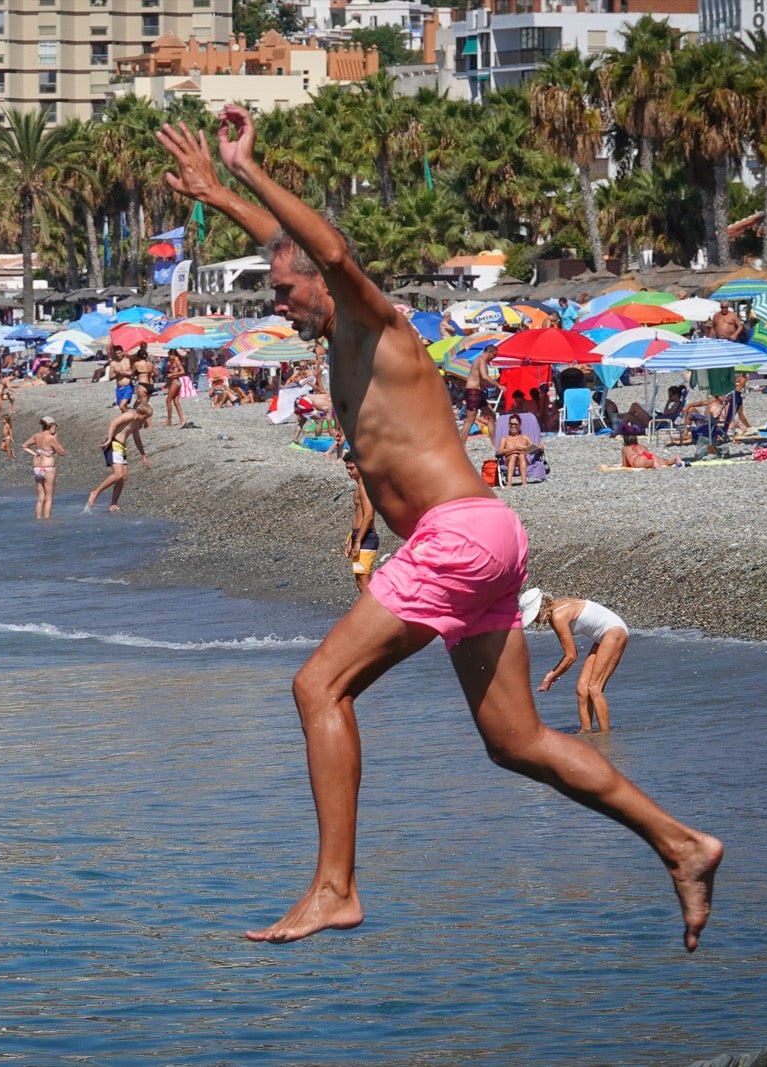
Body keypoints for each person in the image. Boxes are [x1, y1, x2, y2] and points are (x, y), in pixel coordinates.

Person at [157, 106, 721, 948]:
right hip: (484, 539)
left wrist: (245, 168)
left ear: (322, 281)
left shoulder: (376, 322)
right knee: (516, 741)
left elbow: (331, 250)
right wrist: (219, 194)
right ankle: (682, 844)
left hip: (455, 538)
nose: (278, 306)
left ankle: (334, 886)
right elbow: (301, 246)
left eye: (284, 290)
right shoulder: (331, 319)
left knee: (319, 687)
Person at [532, 593, 630, 733]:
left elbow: (571, 656)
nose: (533, 621)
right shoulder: (557, 608)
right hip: (603, 636)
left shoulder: (557, 617)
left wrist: (551, 676)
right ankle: (586, 734)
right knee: (582, 688)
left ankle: (605, 737)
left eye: (532, 616)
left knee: (594, 688)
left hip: (615, 632)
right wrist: (554, 674)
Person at [86, 402, 151, 512]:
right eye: (145, 417)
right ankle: (95, 492)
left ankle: (114, 504)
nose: (145, 420)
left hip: (121, 447)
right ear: (140, 413)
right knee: (118, 475)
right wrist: (109, 439)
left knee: (124, 477)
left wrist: (143, 455)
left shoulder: (136, 422)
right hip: (113, 444)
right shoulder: (130, 415)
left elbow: (137, 439)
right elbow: (113, 423)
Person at [343, 451, 377, 594]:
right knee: (360, 581)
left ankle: (375, 612)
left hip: (366, 537)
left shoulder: (364, 487)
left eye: (352, 468)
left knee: (364, 582)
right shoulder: (359, 487)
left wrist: (358, 541)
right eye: (347, 468)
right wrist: (352, 538)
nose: (349, 472)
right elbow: (358, 515)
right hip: (360, 535)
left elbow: (369, 515)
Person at [24, 416, 65, 520]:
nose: (55, 428)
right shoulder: (51, 438)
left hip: (37, 467)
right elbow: (62, 453)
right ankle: (47, 520)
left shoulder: (37, 436)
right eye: (54, 425)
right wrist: (55, 439)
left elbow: (24, 446)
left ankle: (38, 519)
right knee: (49, 497)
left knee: (40, 497)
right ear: (51, 425)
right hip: (48, 467)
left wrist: (35, 453)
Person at [458, 346, 499, 440]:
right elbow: (485, 376)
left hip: (479, 393)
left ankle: (494, 443)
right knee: (470, 420)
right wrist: (498, 385)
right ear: (489, 352)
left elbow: (482, 379)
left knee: (491, 415)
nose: (494, 357)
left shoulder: (482, 362)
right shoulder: (480, 360)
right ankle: (461, 444)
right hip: (473, 392)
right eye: (494, 355)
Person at [497, 415, 533, 485]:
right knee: (513, 456)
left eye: (515, 424)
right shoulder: (505, 438)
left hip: (522, 461)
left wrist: (540, 448)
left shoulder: (524, 437)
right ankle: (509, 483)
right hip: (509, 460)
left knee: (521, 456)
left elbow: (533, 449)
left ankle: (524, 482)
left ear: (519, 425)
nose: (513, 426)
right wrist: (515, 449)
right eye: (511, 424)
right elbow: (500, 451)